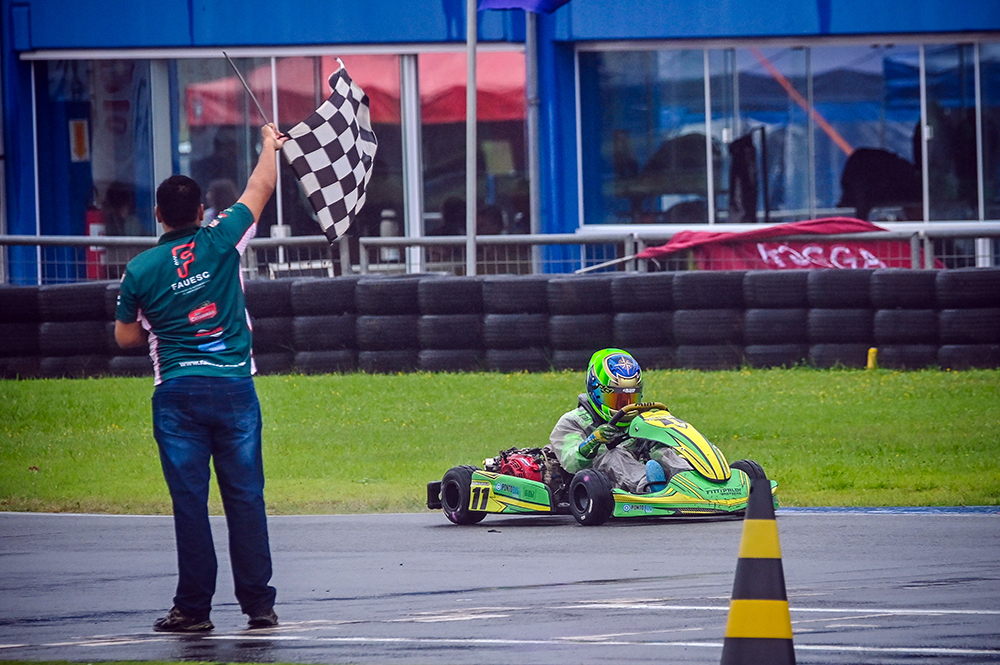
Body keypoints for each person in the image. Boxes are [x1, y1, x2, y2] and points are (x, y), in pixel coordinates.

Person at [114, 123, 288, 633]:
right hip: (235, 388)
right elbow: (261, 188)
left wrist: (155, 321)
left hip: (177, 396)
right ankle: (259, 606)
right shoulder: (222, 238)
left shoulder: (141, 269)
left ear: (157, 215)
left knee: (190, 503)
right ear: (199, 213)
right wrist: (267, 144)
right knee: (246, 498)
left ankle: (193, 610)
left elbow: (125, 338)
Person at [543, 348, 692, 494]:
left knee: (663, 451)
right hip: (595, 481)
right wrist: (593, 440)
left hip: (637, 465)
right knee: (614, 456)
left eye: (630, 398)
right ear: (596, 392)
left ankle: (691, 482)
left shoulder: (638, 419)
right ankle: (650, 488)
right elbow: (571, 462)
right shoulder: (573, 422)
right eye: (617, 399)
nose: (625, 406)